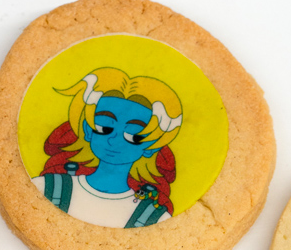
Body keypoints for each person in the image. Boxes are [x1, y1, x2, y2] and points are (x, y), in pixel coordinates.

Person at [31, 68, 182, 228]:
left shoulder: (155, 217)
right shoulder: (45, 187)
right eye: (104, 127)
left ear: (151, 147)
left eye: (134, 135)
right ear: (88, 130)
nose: (114, 140)